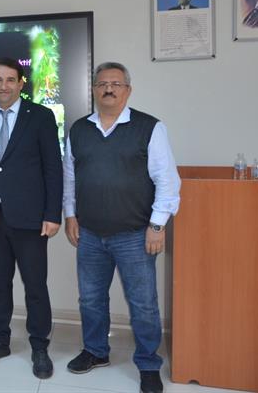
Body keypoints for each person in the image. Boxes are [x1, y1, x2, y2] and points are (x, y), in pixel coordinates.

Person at [63, 62, 180, 393]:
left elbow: (167, 181)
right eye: (102, 84)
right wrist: (70, 215)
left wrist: (157, 225)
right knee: (90, 299)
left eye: (116, 84)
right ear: (93, 90)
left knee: (143, 304)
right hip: (89, 234)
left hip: (135, 235)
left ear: (128, 90)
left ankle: (148, 363)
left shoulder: (149, 127)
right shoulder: (79, 130)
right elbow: (70, 177)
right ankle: (96, 351)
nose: (108, 89)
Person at [0, 57, 62, 379]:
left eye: (10, 79)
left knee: (35, 285)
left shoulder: (41, 117)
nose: (4, 85)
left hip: (31, 218)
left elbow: (53, 168)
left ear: (21, 83)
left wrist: (53, 214)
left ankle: (39, 345)